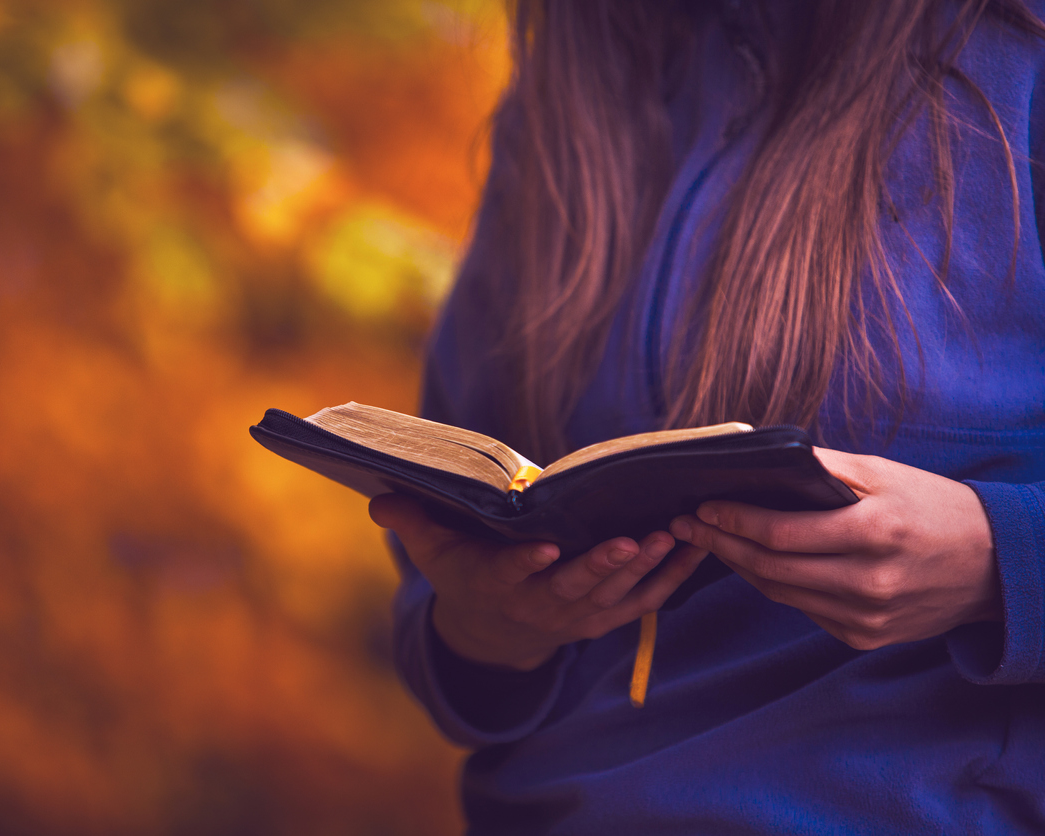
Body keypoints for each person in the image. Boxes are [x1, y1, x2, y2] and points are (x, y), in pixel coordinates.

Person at [367, 1, 1045, 833]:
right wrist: (489, 627)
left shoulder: (1020, 56)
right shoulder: (567, 88)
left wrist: (995, 563)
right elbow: (445, 644)